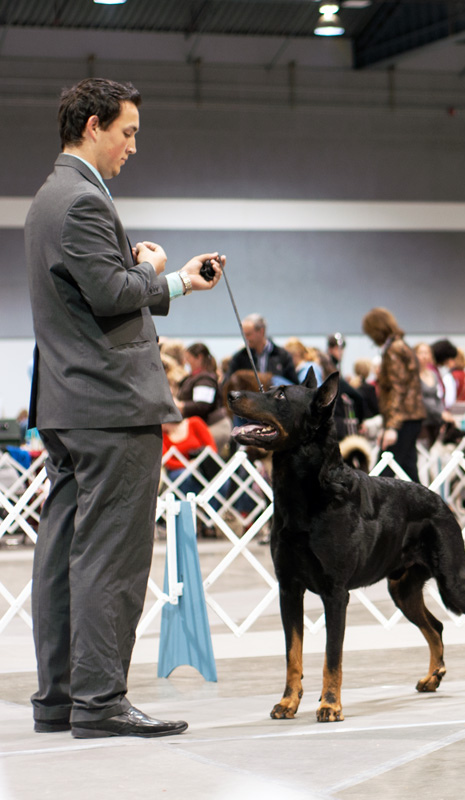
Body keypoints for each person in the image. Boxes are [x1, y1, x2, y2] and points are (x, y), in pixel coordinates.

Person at [24, 77, 224, 739]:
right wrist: (169, 277)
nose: (133, 146)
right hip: (109, 405)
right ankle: (101, 702)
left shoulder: (51, 198)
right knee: (111, 558)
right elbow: (111, 292)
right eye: (127, 131)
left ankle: (61, 699)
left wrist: (136, 267)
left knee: (64, 556)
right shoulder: (81, 199)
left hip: (71, 402)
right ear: (90, 125)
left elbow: (92, 285)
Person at [362, 307, 425, 482]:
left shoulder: (394, 350)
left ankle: (370, 509)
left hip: (402, 419)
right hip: (410, 417)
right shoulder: (401, 346)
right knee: (409, 471)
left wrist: (391, 427)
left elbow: (398, 389)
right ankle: (422, 508)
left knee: (381, 472)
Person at [178, 342, 232, 455]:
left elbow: (202, 405)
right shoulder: (193, 377)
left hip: (215, 427)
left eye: (188, 358)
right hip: (204, 427)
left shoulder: (205, 379)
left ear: (199, 358)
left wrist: (181, 405)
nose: (186, 362)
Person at [226, 313, 298, 385]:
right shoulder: (239, 358)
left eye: (248, 334)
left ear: (261, 331)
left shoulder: (283, 356)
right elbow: (227, 383)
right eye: (244, 335)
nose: (245, 339)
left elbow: (293, 385)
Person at [413, 342, 446, 449]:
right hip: (421, 419)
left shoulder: (433, 374)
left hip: (435, 420)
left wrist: (442, 412)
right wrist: (440, 413)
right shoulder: (413, 376)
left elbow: (438, 396)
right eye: (421, 353)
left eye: (427, 352)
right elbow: (420, 398)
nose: (424, 356)